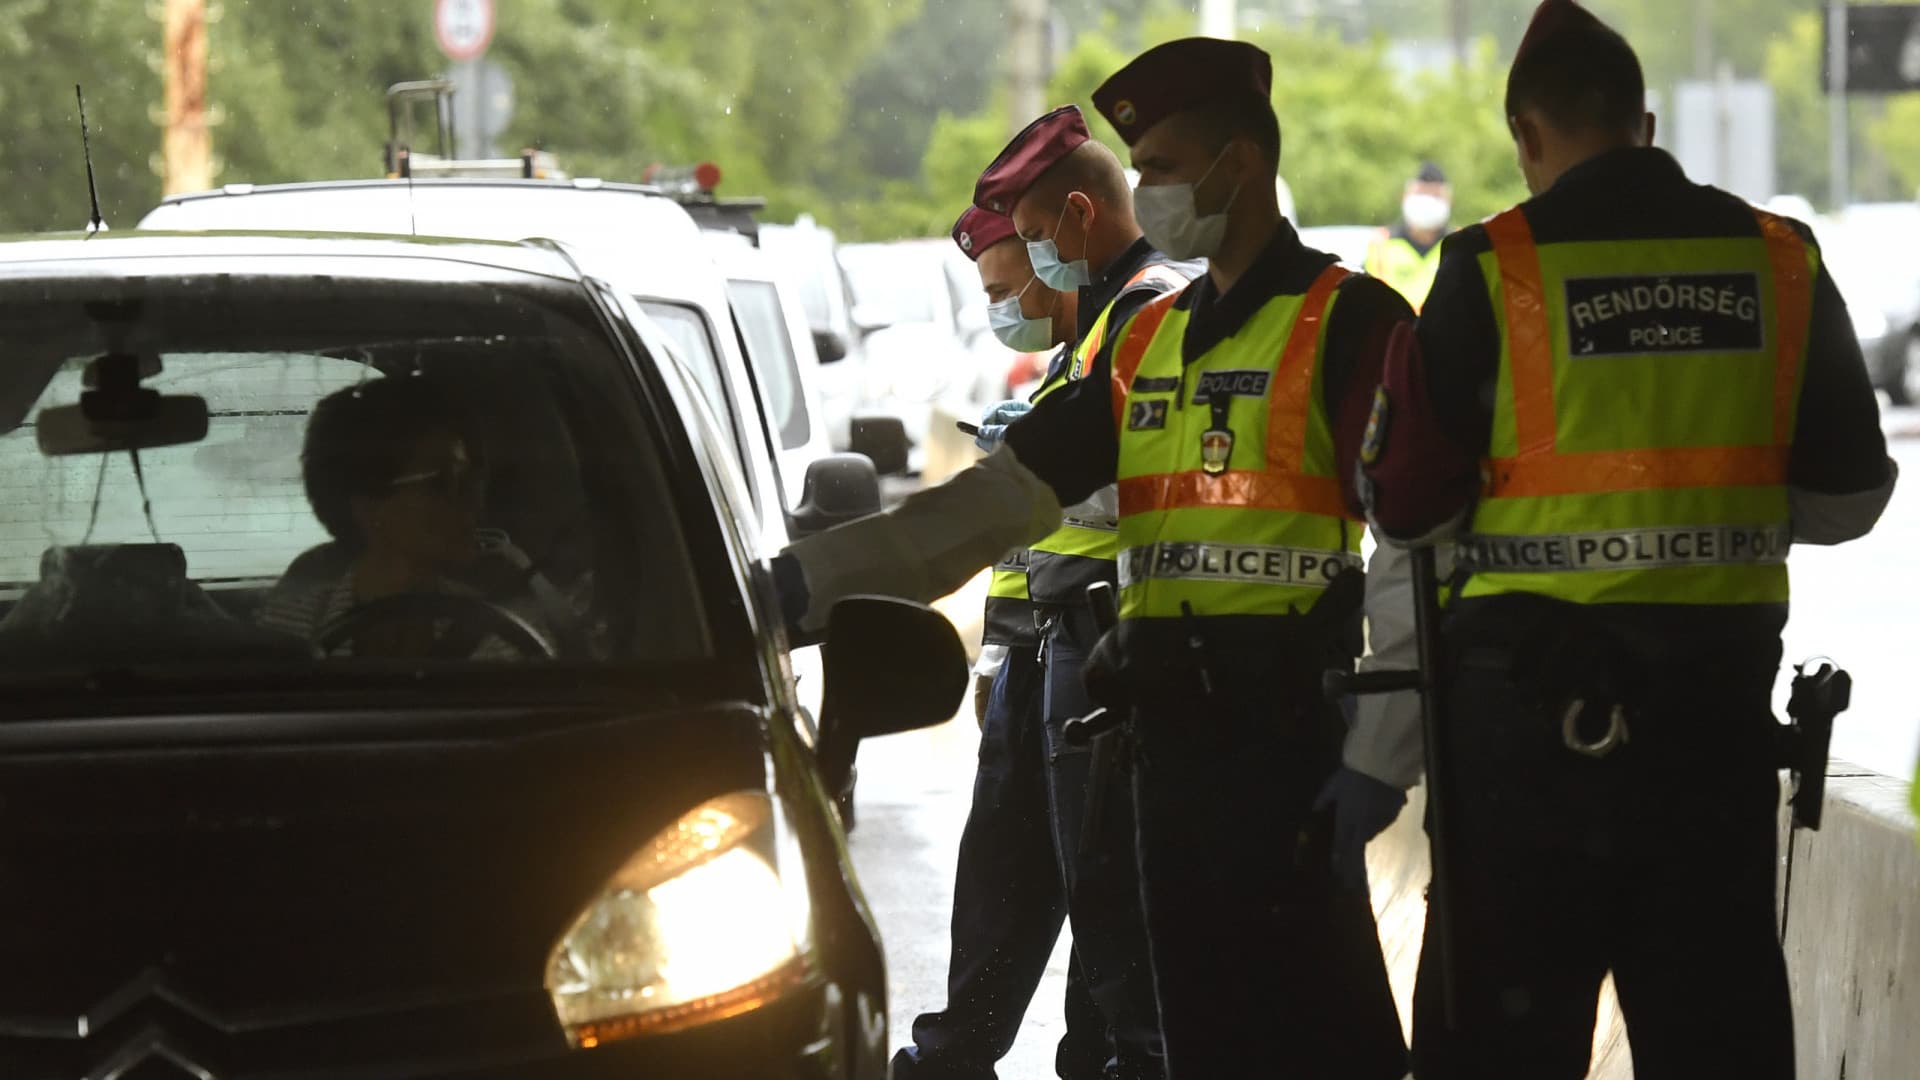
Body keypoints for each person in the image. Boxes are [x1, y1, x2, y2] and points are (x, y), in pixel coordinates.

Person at [776, 38, 1415, 1079]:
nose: (1150, 191)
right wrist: (807, 589)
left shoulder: (1349, 321)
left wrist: (1384, 756)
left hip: (1294, 756)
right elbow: (992, 506)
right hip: (1163, 757)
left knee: (1328, 1039)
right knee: (1185, 1033)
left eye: (1162, 167)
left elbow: (1414, 553)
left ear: (1239, 164)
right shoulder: (1144, 339)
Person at [1353, 3, 1899, 1077]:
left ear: (1527, 134)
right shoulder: (1780, 261)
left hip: (1523, 761)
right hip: (1711, 745)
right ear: (1644, 124)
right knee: (1715, 1043)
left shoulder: (1490, 267)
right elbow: (1847, 501)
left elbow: (1408, 509)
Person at [965, 103, 1206, 1080]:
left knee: (1114, 916)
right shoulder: (1110, 310)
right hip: (1077, 629)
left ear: (1076, 214)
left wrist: (1032, 456)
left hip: (1114, 629)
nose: (1029, 267)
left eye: (1031, 240)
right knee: (1095, 914)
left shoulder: (1147, 305)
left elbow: (1133, 472)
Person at [892, 205, 1112, 1080]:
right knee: (1002, 880)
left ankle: (1096, 1063)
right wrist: (998, 655)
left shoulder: (1139, 317)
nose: (1000, 305)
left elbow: (1123, 492)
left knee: (1095, 895)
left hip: (1100, 648)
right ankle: (952, 1056)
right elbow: (1029, 542)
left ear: (1050, 259)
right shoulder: (1072, 352)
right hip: (1039, 650)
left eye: (1003, 286)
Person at [259, 375, 553, 659]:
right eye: (443, 481)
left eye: (471, 479)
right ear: (368, 508)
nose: (472, 499)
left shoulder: (505, 636)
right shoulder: (292, 624)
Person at [1364, 161, 1452, 312]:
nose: (1427, 203)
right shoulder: (1381, 245)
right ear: (1405, 196)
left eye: (1435, 196)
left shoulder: (1459, 246)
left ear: (1449, 200)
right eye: (1421, 194)